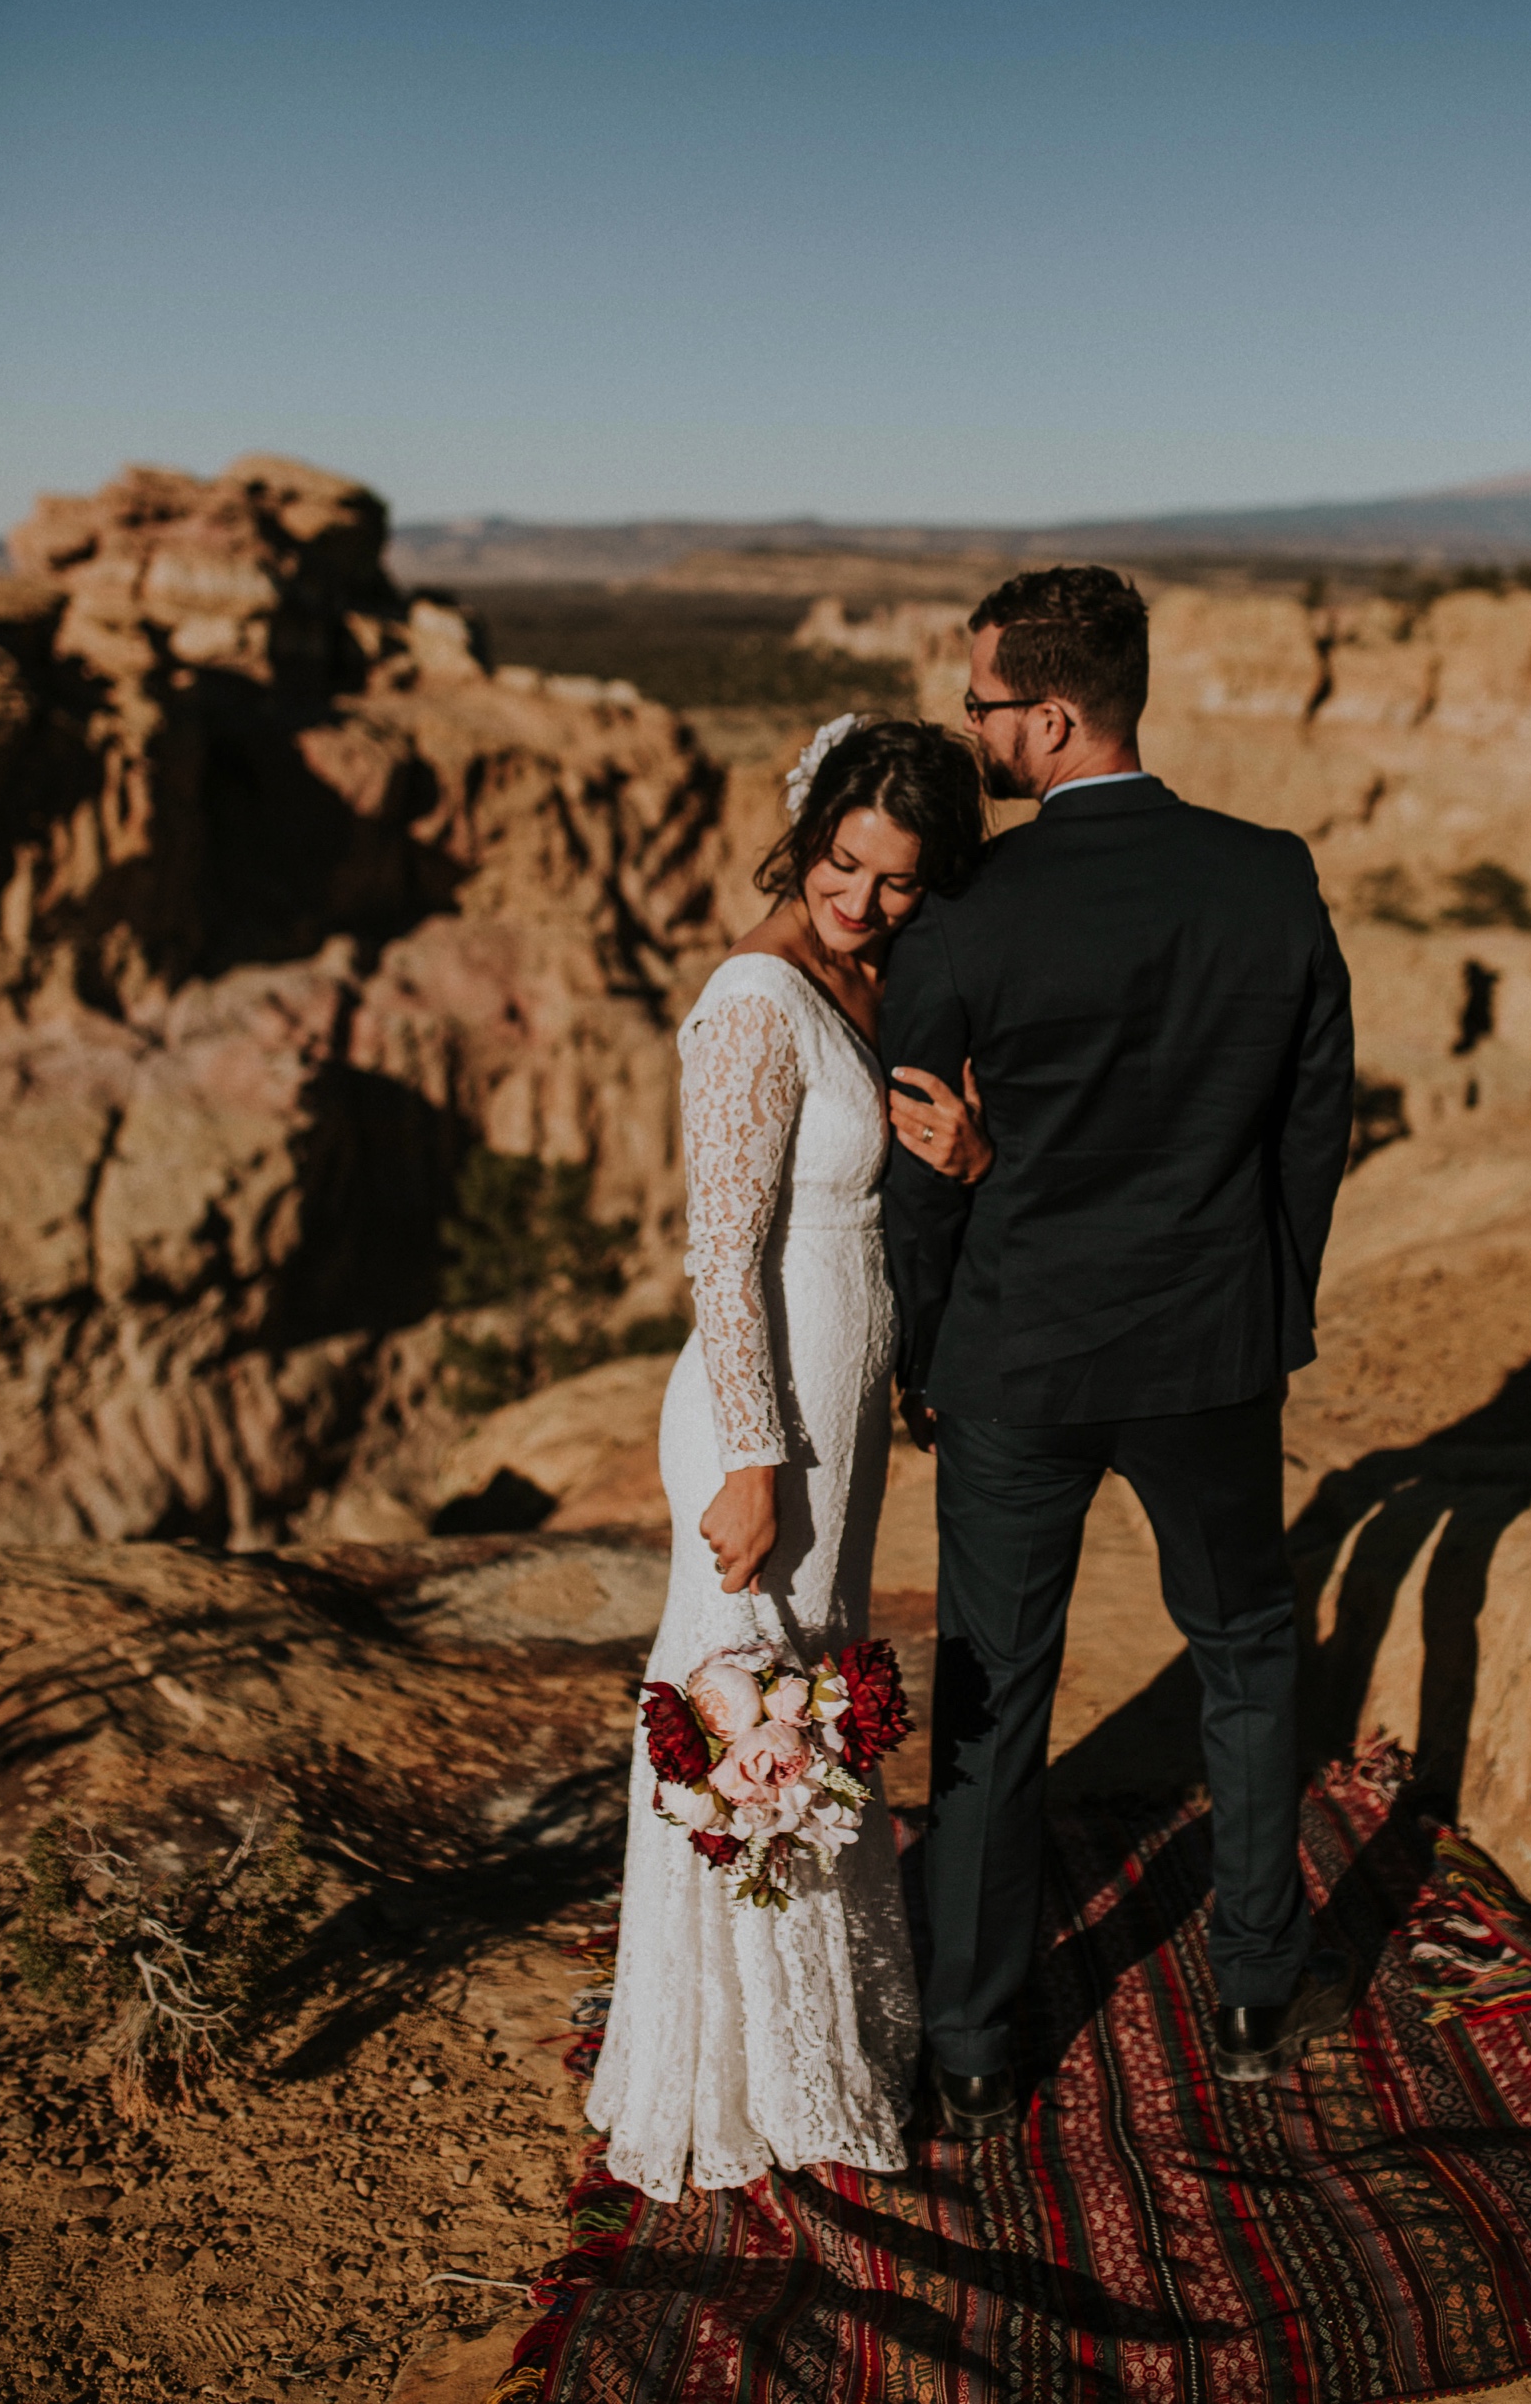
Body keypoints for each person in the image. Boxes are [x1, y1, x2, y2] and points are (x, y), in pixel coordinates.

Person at [879, 565, 1356, 2140]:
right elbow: (1310, 1124)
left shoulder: (967, 908)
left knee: (991, 1696)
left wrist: (927, 1341)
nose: (973, 732)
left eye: (985, 707)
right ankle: (1257, 1986)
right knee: (1245, 1653)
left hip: (1019, 1355)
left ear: (1056, 715)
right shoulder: (1267, 876)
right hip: (1213, 1345)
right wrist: (1269, 1308)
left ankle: (972, 2039)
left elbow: (914, 1156)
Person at [587, 715, 989, 2200]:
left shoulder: (866, 975)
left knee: (806, 1703)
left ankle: (808, 2046)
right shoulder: (753, 1001)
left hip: (838, 1401)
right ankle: (744, 2076)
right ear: (804, 832)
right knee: (753, 1707)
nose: (862, 900)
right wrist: (749, 1458)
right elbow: (721, 1252)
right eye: (842, 865)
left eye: (894, 879)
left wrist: (964, 1162)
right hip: (765, 1414)